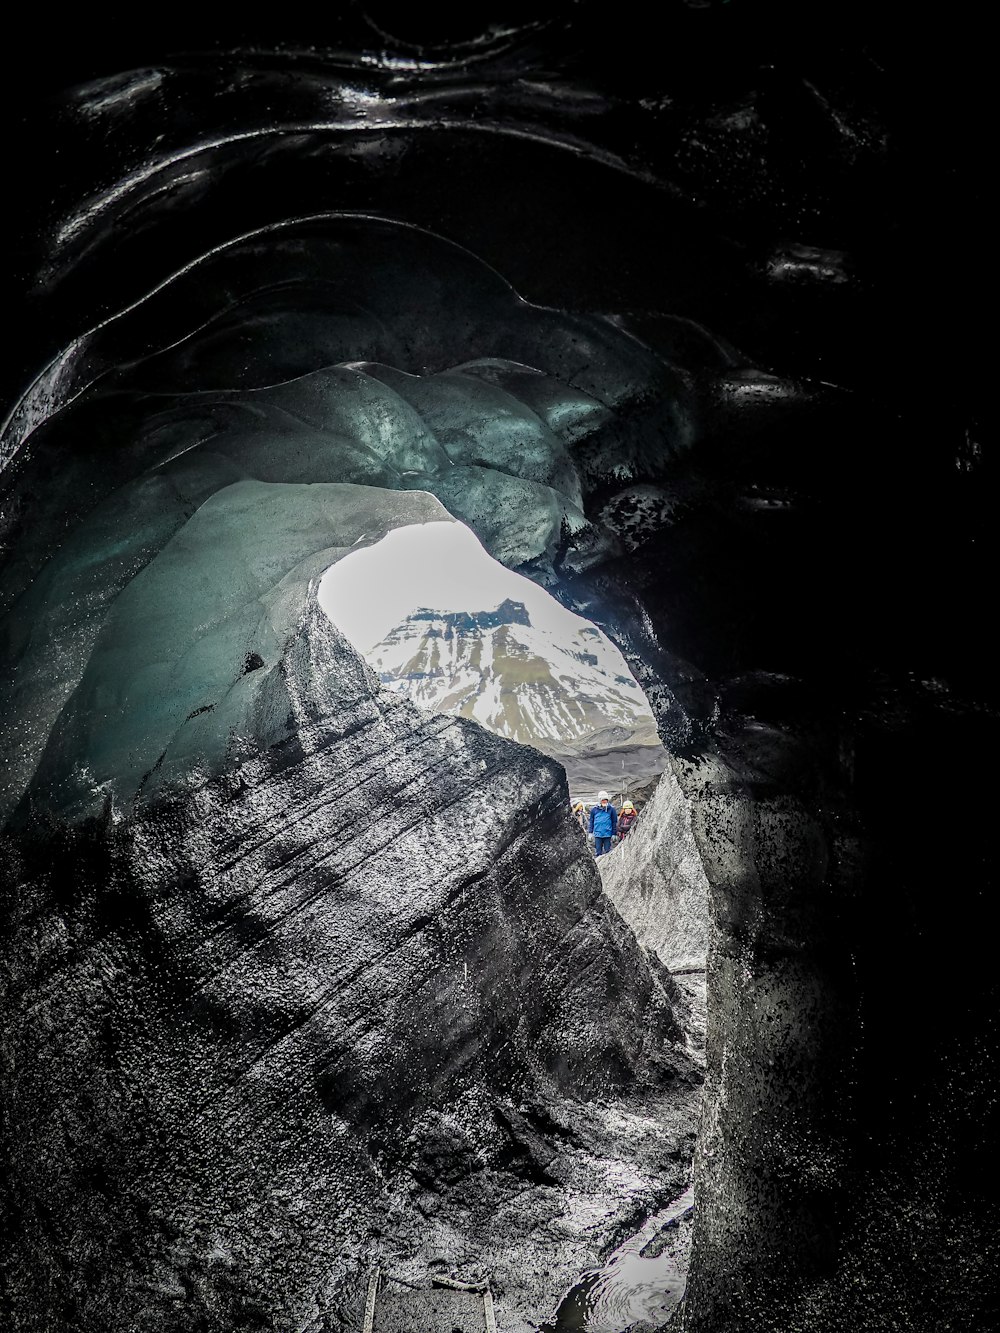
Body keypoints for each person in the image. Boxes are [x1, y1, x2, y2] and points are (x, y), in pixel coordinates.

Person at [588, 790, 618, 856]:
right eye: (603, 800)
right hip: (598, 835)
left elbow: (614, 822)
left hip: (607, 834)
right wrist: (590, 832)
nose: (604, 801)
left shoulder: (612, 810)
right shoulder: (594, 810)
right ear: (599, 800)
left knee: (608, 852)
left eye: (606, 800)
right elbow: (591, 822)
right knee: (598, 852)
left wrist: (614, 834)